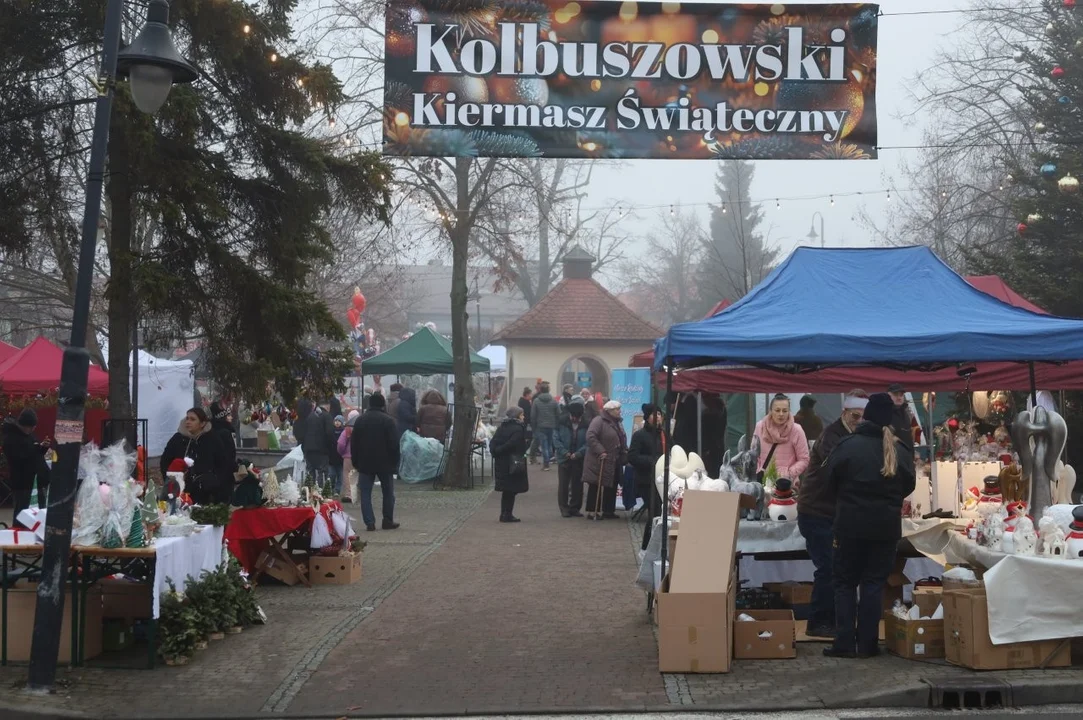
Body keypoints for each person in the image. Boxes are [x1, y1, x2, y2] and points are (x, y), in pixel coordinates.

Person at [824, 393, 916, 659]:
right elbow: (908, 485)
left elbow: (829, 481)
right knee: (873, 584)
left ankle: (844, 642)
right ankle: (868, 644)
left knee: (844, 583)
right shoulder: (899, 450)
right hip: (885, 529)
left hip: (850, 527)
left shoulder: (847, 445)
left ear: (866, 416)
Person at [797, 389, 868, 640]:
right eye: (854, 416)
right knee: (828, 567)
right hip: (816, 512)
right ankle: (818, 621)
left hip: (833, 514)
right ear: (844, 413)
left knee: (836, 567)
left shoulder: (853, 436)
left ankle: (836, 620)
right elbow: (839, 470)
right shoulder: (832, 436)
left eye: (862, 417)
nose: (858, 421)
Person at [350, 393, 400, 531]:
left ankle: (369, 522)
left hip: (365, 463)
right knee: (388, 492)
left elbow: (353, 443)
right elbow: (394, 444)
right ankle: (387, 520)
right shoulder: (388, 421)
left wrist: (356, 461)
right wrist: (395, 463)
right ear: (383, 404)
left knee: (365, 493)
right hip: (386, 463)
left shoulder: (360, 420)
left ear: (370, 404)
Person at [160, 407, 229, 505]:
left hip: (206, 492)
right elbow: (165, 461)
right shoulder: (177, 439)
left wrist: (214, 481)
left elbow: (222, 463)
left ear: (202, 423)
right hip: (179, 490)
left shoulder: (212, 439)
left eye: (192, 419)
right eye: (187, 418)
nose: (188, 422)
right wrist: (171, 480)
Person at [2, 409, 51, 522]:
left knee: (38, 512)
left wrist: (42, 447)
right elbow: (19, 457)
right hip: (23, 483)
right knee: (22, 513)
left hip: (36, 481)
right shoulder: (11, 438)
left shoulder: (28, 435)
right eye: (32, 426)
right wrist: (35, 449)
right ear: (26, 425)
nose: (34, 429)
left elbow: (34, 453)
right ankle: (20, 534)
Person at [582, 400, 628, 520]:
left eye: (619, 409)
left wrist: (624, 450)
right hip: (599, 458)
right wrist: (600, 450)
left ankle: (608, 510)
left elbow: (622, 437)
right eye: (616, 409)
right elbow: (590, 436)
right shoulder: (599, 421)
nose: (619, 411)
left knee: (612, 483)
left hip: (614, 458)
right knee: (595, 483)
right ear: (609, 411)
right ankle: (592, 511)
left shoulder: (618, 422)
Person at [754, 394, 810, 485]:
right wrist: (758, 470)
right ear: (770, 411)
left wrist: (788, 474)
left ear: (789, 411)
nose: (781, 414)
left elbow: (804, 459)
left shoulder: (796, 430)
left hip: (786, 484)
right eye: (777, 410)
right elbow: (754, 455)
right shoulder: (760, 427)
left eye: (785, 411)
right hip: (762, 481)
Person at [628, 403, 664, 548]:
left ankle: (658, 545)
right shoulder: (639, 435)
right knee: (654, 513)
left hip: (662, 480)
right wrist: (653, 461)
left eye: (660, 414)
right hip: (646, 480)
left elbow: (673, 451)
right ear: (648, 418)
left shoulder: (664, 435)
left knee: (660, 513)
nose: (658, 417)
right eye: (654, 415)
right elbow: (632, 457)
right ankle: (646, 547)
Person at [491, 407, 529, 523]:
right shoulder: (518, 429)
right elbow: (513, 443)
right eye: (522, 415)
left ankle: (504, 513)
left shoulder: (502, 427)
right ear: (517, 416)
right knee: (511, 489)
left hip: (502, 462)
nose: (524, 417)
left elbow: (494, 442)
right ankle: (507, 514)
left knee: (507, 490)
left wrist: (496, 451)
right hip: (513, 462)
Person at [553, 399, 588, 517]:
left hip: (579, 458)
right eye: (573, 416)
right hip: (564, 457)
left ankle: (575, 507)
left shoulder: (586, 423)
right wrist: (564, 452)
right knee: (563, 484)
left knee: (578, 485)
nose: (575, 419)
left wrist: (579, 453)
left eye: (577, 417)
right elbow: (556, 439)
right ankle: (564, 508)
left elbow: (589, 442)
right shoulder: (561, 421)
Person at [300, 399, 335, 485]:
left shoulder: (309, 416)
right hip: (322, 451)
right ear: (327, 406)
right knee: (322, 474)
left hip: (308, 450)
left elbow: (302, 433)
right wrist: (330, 448)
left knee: (310, 474)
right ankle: (321, 494)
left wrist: (304, 448)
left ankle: (309, 494)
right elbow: (330, 433)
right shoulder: (327, 416)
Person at [209, 401, 238, 498]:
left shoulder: (211, 429)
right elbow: (230, 455)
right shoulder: (225, 432)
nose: (231, 417)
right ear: (223, 417)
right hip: (224, 476)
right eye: (229, 415)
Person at [531, 382, 559, 470]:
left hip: (540, 426)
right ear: (548, 390)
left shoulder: (536, 401)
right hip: (551, 426)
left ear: (541, 390)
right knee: (549, 444)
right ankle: (549, 458)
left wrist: (533, 427)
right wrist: (556, 424)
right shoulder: (554, 401)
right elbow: (558, 413)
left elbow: (533, 415)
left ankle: (546, 464)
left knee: (544, 445)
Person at [336, 411, 359, 502]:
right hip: (360, 456)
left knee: (347, 475)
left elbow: (341, 444)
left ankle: (349, 494)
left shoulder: (347, 430)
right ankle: (356, 494)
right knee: (357, 475)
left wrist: (342, 453)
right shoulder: (362, 428)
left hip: (348, 457)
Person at [887, 384, 917, 453]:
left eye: (901, 395)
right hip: (893, 455)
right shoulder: (885, 413)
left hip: (907, 455)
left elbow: (909, 437)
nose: (899, 397)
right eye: (895, 395)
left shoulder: (906, 413)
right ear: (888, 396)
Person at [329, 415, 346, 495]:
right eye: (336, 421)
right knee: (332, 475)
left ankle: (337, 490)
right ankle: (331, 487)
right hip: (332, 457)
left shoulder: (344, 432)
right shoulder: (331, 431)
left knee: (340, 475)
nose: (337, 423)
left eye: (339, 421)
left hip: (341, 458)